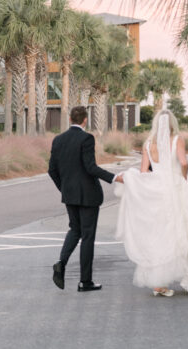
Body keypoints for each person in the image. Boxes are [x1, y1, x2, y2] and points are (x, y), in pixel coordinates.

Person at [114, 110, 188, 296]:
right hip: (178, 188)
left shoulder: (148, 143)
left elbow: (143, 171)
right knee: (187, 229)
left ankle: (159, 281)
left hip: (157, 190)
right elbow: (184, 162)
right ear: (172, 123)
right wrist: (184, 177)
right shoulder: (177, 139)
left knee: (160, 233)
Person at [48, 105, 123, 292]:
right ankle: (85, 281)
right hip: (88, 195)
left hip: (69, 195)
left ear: (70, 119)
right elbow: (90, 167)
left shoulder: (58, 140)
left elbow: (52, 170)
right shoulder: (86, 138)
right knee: (88, 236)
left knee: (75, 230)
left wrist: (64, 188)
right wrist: (114, 177)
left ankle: (61, 263)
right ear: (85, 120)